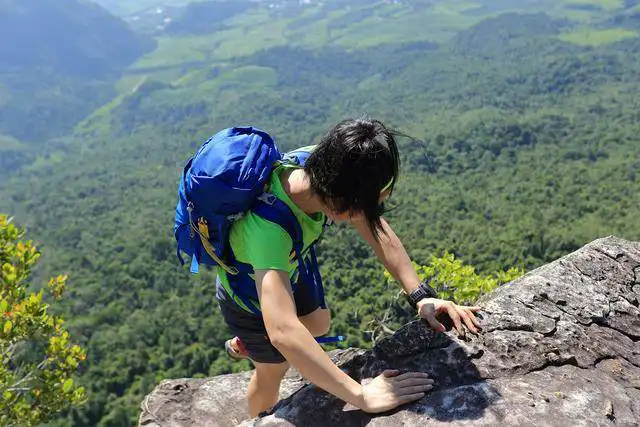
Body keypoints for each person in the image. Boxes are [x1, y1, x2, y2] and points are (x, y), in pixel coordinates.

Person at [215, 117, 482, 417]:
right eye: (369, 205)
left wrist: (421, 295)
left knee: (319, 323)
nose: (374, 213)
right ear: (342, 206)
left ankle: (256, 339)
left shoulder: (328, 167)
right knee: (275, 364)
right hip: (248, 293)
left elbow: (376, 228)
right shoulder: (268, 232)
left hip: (290, 261)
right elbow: (284, 332)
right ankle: (255, 411)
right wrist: (361, 396)